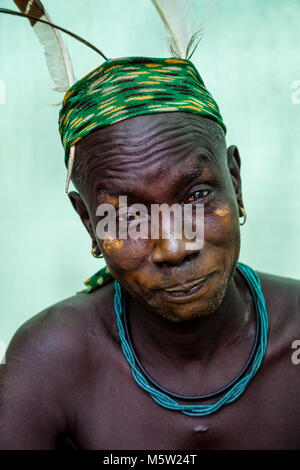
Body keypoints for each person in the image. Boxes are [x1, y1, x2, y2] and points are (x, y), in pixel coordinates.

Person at [0, 2, 300, 451]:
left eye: (196, 196)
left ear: (234, 182)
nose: (174, 246)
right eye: (127, 216)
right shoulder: (48, 363)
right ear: (89, 223)